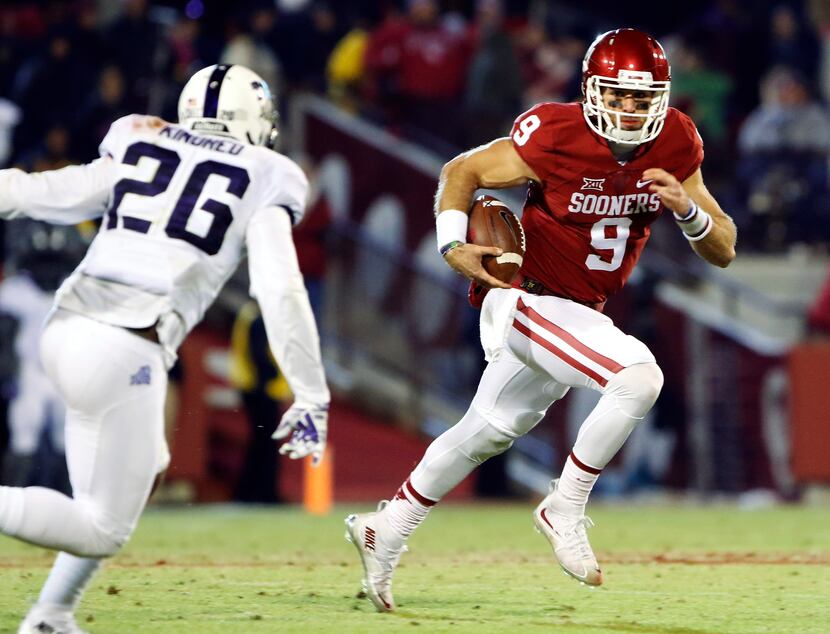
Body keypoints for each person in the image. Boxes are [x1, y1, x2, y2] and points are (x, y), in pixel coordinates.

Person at [346, 28, 736, 612]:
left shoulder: (677, 142)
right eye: (618, 95)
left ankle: (387, 526)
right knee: (639, 375)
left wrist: (685, 211)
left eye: (641, 97)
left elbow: (725, 247)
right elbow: (462, 171)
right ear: (591, 90)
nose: (629, 110)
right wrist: (453, 247)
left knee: (488, 430)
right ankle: (565, 504)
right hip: (522, 297)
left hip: (577, 315)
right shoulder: (556, 132)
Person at [0, 63, 330, 633]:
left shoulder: (140, 138)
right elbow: (279, 286)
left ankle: (51, 615)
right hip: (125, 344)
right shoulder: (267, 171)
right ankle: (50, 614)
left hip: (69, 329)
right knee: (104, 526)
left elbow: (47, 192)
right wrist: (310, 391)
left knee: (143, 464)